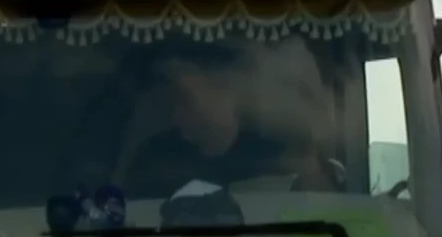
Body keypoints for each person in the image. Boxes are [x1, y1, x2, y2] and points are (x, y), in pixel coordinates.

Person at [123, 53, 334, 200]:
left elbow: (326, 216)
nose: (175, 116)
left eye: (184, 99)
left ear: (225, 83)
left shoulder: (285, 148)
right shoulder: (153, 161)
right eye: (167, 104)